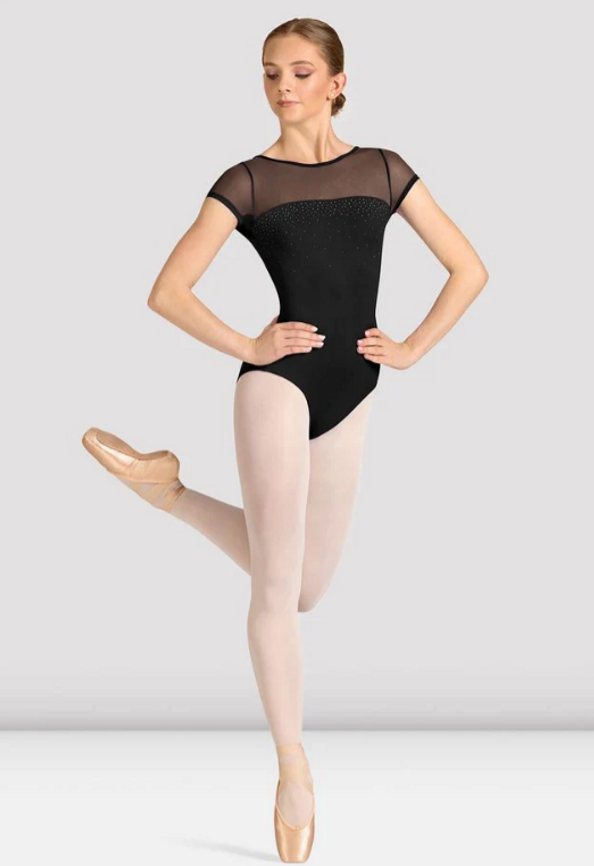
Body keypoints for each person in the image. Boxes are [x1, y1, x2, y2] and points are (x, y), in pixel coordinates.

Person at [82, 17, 488, 863]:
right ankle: (293, 769)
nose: (283, 88)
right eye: (271, 73)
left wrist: (413, 347)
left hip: (354, 388)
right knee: (274, 587)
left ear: (338, 83)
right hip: (277, 385)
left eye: (301, 73)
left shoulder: (384, 169)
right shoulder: (248, 181)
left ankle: (168, 491)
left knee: (304, 587)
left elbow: (469, 267)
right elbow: (168, 290)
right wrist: (249, 344)